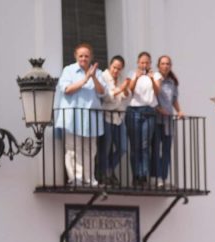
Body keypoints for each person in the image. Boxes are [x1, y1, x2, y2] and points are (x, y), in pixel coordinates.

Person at [54, 43, 106, 187]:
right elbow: (67, 89)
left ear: (91, 57)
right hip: (73, 116)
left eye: (86, 56)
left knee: (90, 149)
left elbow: (102, 92)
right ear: (76, 56)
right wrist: (85, 79)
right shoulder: (68, 70)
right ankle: (75, 178)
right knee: (72, 148)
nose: (84, 58)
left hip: (91, 118)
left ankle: (89, 178)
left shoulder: (99, 73)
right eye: (81, 55)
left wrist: (93, 77)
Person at [126, 52, 159, 187]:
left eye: (147, 62)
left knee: (145, 145)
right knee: (135, 145)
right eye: (142, 62)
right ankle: (135, 175)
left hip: (149, 111)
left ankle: (143, 175)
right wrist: (136, 77)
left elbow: (157, 92)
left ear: (150, 63)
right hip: (134, 110)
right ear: (138, 63)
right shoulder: (132, 73)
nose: (144, 65)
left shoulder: (155, 75)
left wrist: (151, 79)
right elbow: (129, 90)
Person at [98, 55, 130, 186]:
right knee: (105, 147)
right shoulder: (103, 77)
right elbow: (107, 97)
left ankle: (108, 169)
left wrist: (126, 90)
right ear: (110, 65)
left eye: (119, 68)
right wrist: (121, 90)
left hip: (119, 117)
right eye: (114, 67)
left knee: (122, 147)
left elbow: (126, 97)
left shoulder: (122, 79)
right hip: (106, 115)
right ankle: (104, 174)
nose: (116, 71)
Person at [154, 55, 183, 188]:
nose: (165, 66)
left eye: (167, 64)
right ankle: (157, 177)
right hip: (156, 120)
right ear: (158, 65)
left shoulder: (172, 83)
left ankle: (164, 178)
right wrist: (159, 109)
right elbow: (151, 97)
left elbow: (174, 99)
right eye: (163, 64)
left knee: (166, 150)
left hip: (168, 121)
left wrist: (179, 111)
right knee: (155, 149)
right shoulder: (154, 79)